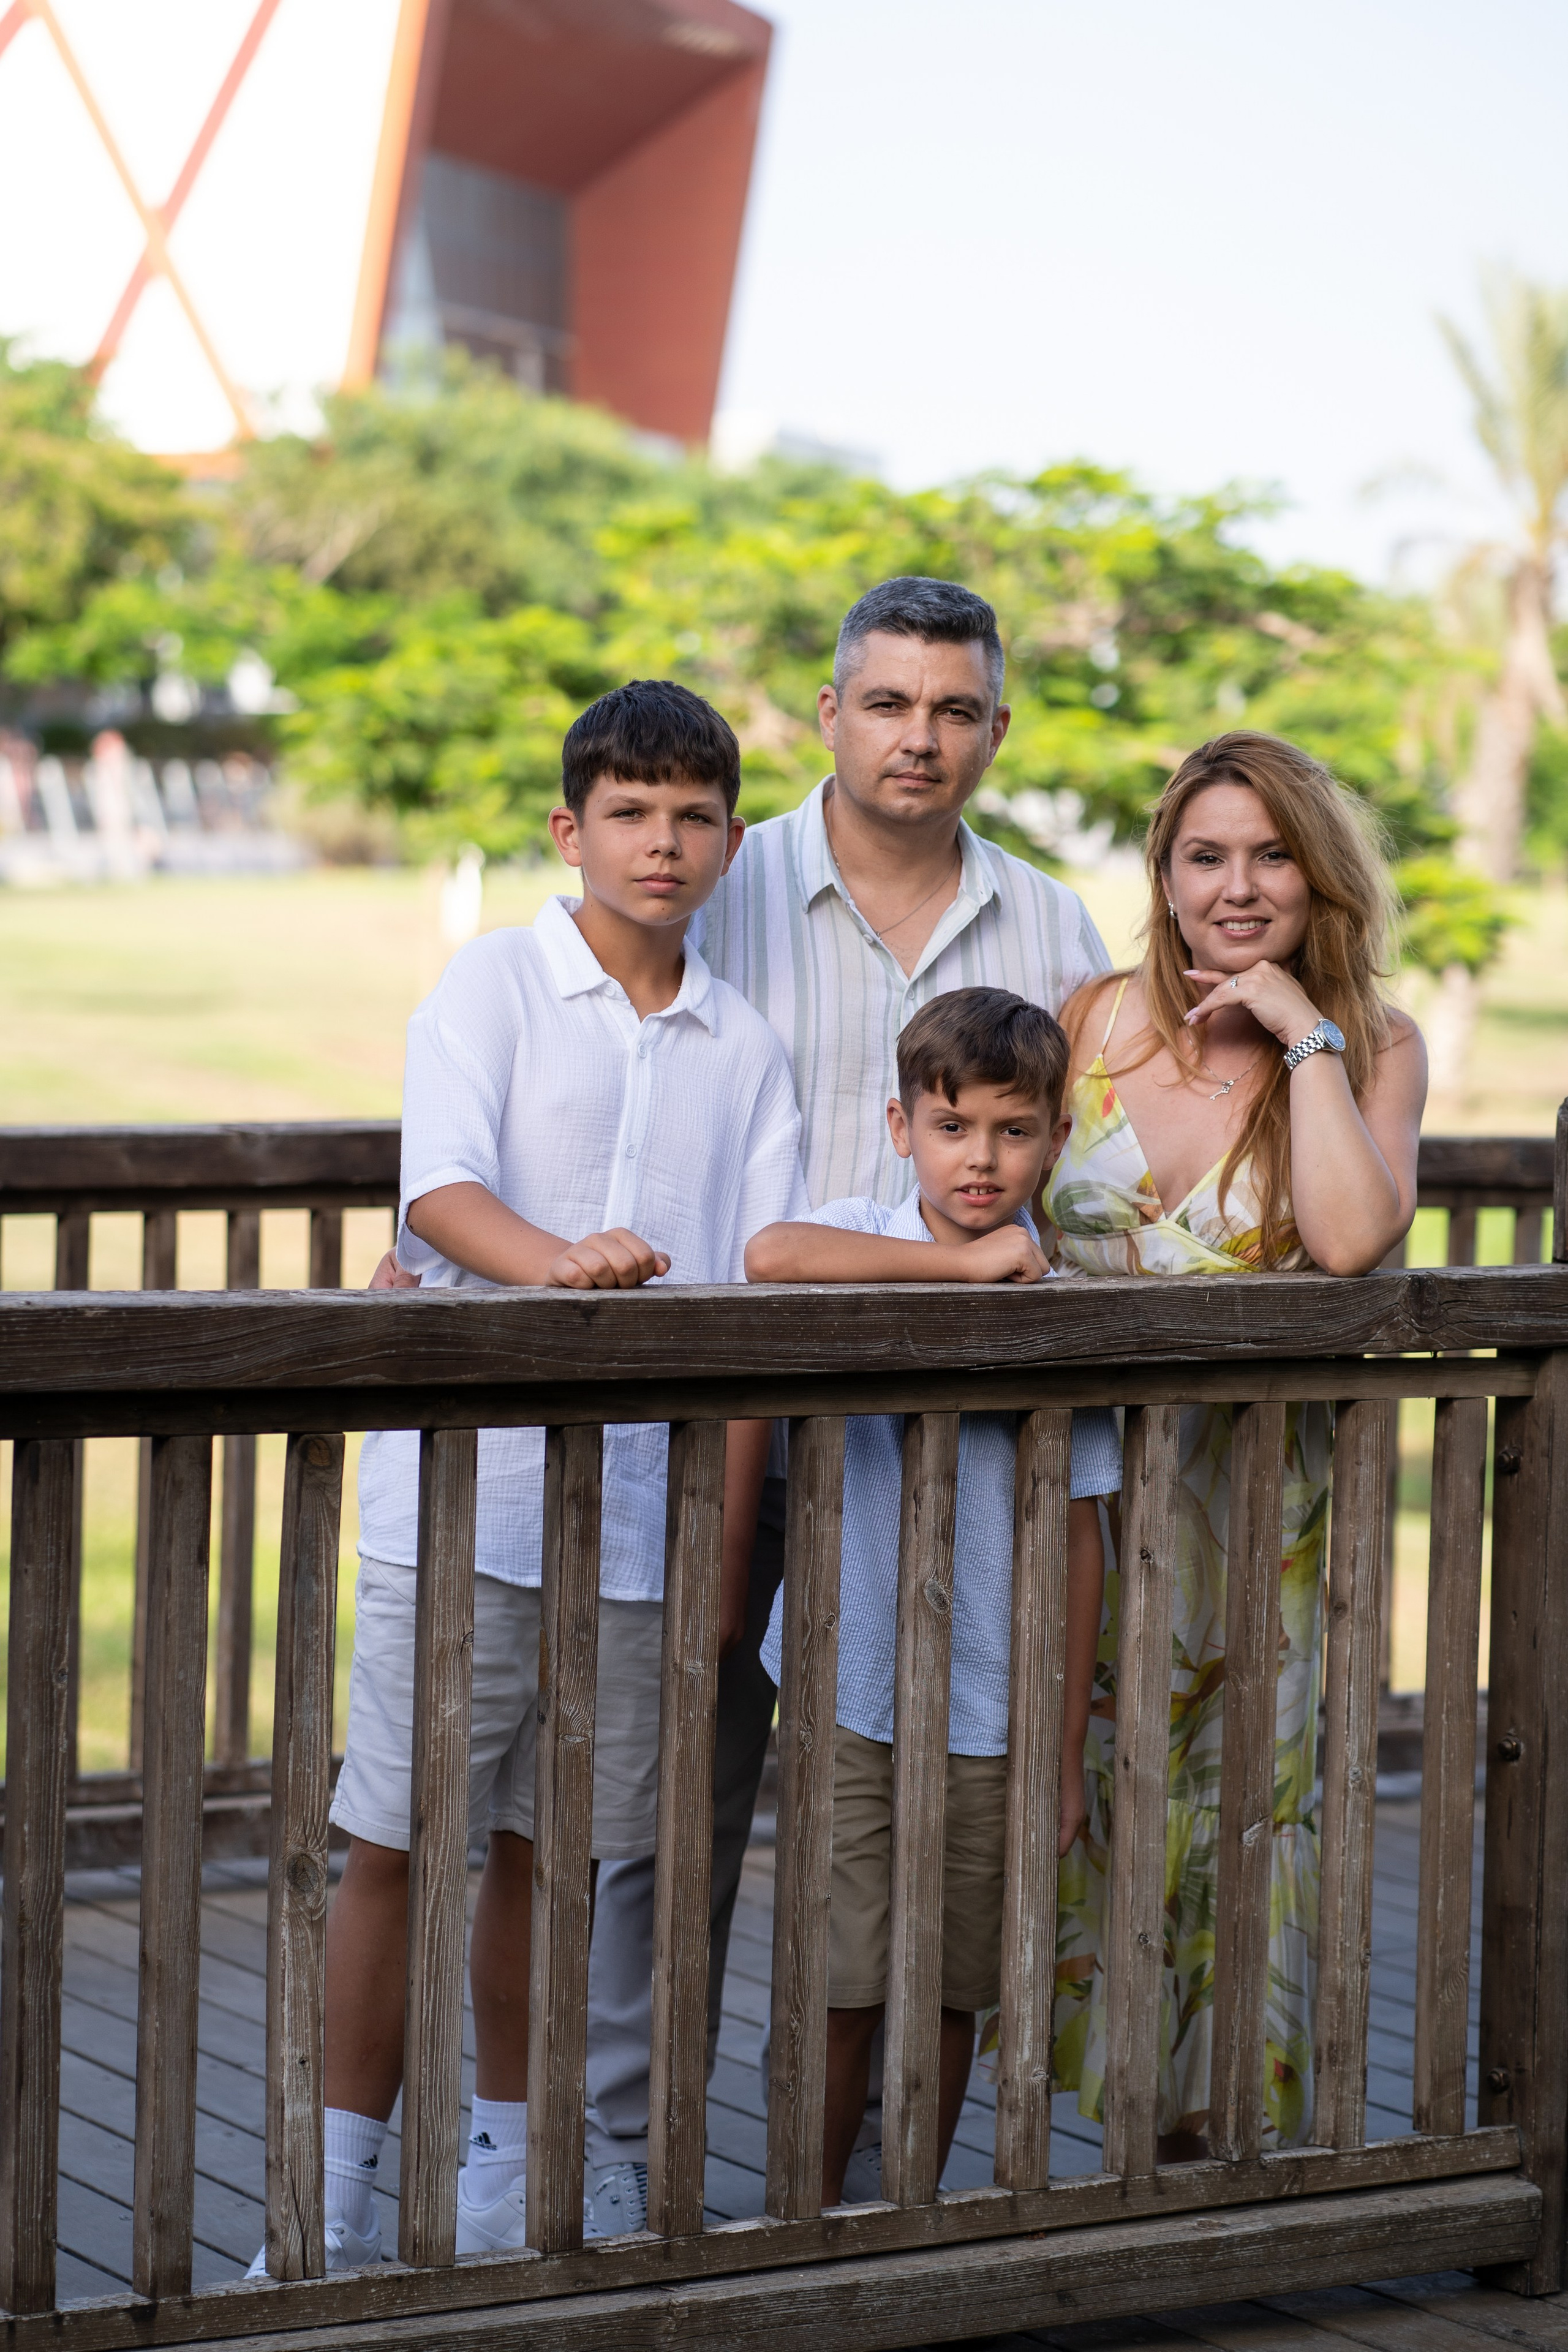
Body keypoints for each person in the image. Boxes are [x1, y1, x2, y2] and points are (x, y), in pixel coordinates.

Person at [249, 680, 807, 2276]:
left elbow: (761, 1307)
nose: (663, 841)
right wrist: (559, 1264)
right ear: (571, 829)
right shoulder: (493, 983)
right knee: (393, 1835)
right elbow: (437, 1190)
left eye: (694, 815)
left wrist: (721, 1552)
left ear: (731, 839)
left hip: (644, 1530)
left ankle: (504, 2176)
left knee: (554, 1853)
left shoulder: (746, 1048)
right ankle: (326, 2201)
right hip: (467, 1506)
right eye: (630, 812)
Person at [581, 577, 1112, 2228]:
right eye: (888, 704)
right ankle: (623, 2158)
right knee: (667, 1804)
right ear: (830, 714)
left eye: (955, 710)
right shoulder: (723, 891)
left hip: (948, 1479)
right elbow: (602, 1073)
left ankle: (877, 2209)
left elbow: (1090, 1179)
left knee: (927, 1845)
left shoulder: (1053, 930)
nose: (920, 739)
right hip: (724, 1428)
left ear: (996, 729)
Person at [1043, 729, 1426, 2160]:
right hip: (1072, 1505)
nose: (1237, 884)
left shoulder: (1372, 1045)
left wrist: (1296, 1029)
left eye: (1270, 854)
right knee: (1070, 1818)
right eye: (1205, 855)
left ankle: (1206, 2175)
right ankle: (1075, 2172)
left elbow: (1341, 1235)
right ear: (1163, 875)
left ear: (1315, 876)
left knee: (1238, 1833)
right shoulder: (1088, 1021)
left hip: (1258, 1526)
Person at [745, 987, 1121, 2201]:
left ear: (1056, 1137)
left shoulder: (1059, 1301)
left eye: (1014, 1131)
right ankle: (803, 2223)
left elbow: (1079, 1541)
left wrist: (1060, 1756)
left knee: (954, 1985)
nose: (981, 1157)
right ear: (901, 1126)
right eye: (952, 1126)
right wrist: (960, 1274)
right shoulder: (863, 1234)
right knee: (841, 1978)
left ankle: (905, 2210)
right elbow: (770, 1256)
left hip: (993, 1712)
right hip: (849, 1687)